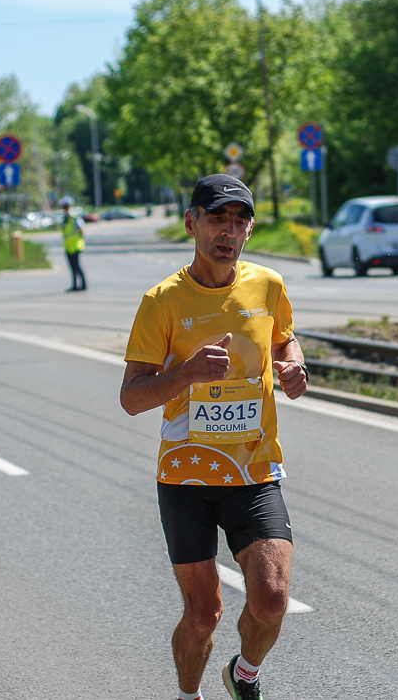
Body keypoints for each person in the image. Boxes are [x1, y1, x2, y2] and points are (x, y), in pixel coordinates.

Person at [120, 174, 309, 700]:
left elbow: (286, 344)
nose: (229, 230)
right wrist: (186, 373)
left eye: (240, 220)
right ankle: (188, 695)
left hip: (254, 471)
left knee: (271, 598)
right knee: (205, 612)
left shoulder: (268, 286)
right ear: (191, 222)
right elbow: (132, 397)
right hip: (185, 479)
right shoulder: (161, 301)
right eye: (217, 217)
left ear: (249, 230)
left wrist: (295, 368)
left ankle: (243, 674)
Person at [61, 196, 86, 292]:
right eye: (64, 207)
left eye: (66, 207)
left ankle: (83, 285)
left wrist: (80, 238)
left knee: (77, 266)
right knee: (72, 267)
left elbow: (81, 228)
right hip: (68, 246)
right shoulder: (64, 219)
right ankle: (75, 285)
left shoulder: (74, 217)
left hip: (76, 245)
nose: (65, 209)